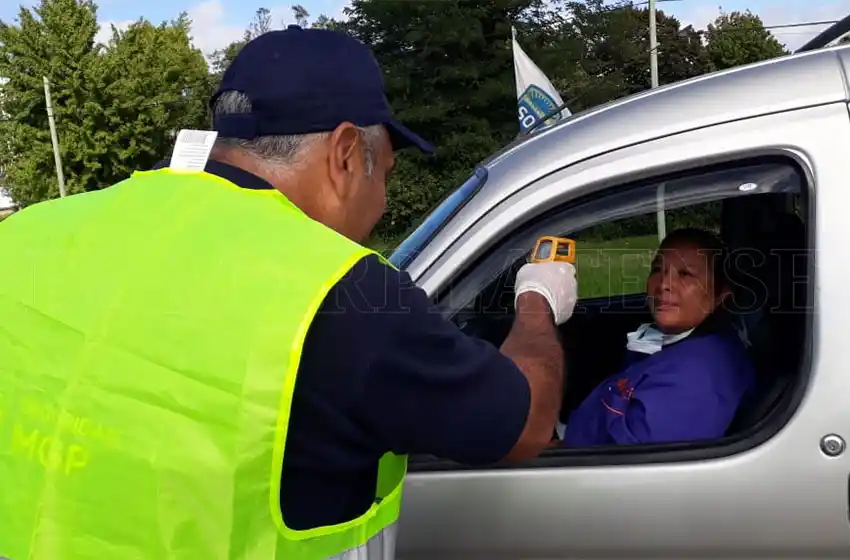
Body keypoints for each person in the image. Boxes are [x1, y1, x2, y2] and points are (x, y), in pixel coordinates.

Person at [0, 26, 578, 560]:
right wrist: (537, 300)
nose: (381, 202)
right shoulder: (340, 291)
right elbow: (525, 423)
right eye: (385, 174)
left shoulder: (26, 235)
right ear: (346, 153)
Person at [559, 228, 755, 447]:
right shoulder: (682, 341)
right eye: (658, 270)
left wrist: (557, 451)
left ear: (721, 294)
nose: (664, 284)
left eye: (685, 274)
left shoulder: (694, 380)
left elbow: (629, 460)